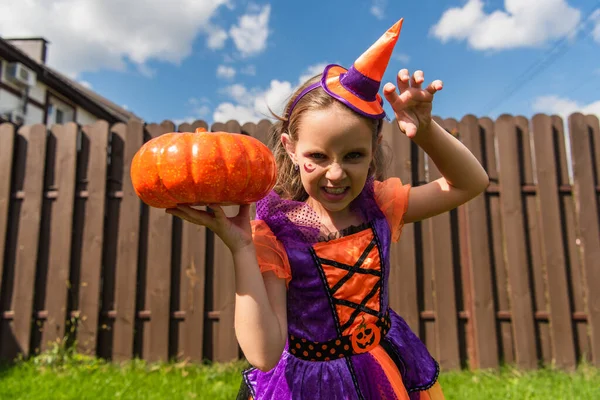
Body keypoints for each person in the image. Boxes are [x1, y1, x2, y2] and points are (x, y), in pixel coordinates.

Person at [167, 18, 489, 400]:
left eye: (353, 155)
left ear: (375, 147)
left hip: (383, 373)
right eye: (317, 156)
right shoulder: (276, 233)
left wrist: (427, 128)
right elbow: (265, 354)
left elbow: (470, 183)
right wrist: (241, 249)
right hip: (308, 385)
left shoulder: (380, 206)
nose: (336, 173)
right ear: (289, 147)